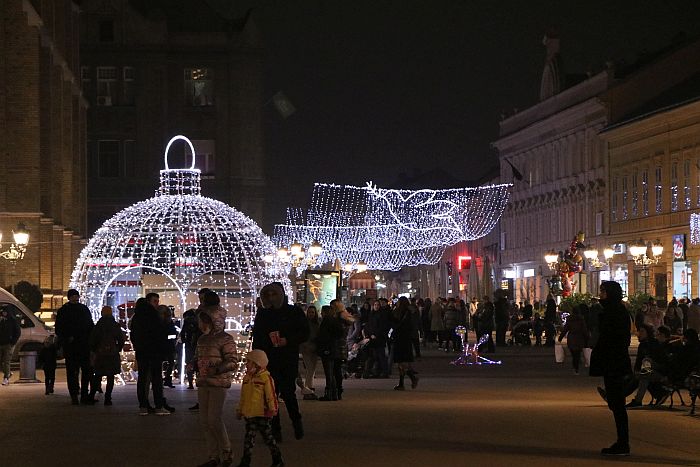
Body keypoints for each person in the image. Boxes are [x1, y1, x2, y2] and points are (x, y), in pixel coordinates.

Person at [252, 282, 309, 442]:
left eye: (274, 294)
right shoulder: (263, 314)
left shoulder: (294, 312)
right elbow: (258, 337)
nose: (271, 298)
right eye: (268, 295)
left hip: (287, 359)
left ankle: (296, 422)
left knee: (288, 393)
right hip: (268, 360)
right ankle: (275, 430)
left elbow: (304, 333)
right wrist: (257, 358)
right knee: (271, 396)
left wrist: (288, 340)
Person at [194, 292, 238, 467]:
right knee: (204, 420)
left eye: (204, 321)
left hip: (218, 382)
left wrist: (217, 368)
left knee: (214, 418)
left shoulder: (225, 339)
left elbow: (233, 361)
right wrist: (194, 365)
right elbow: (198, 356)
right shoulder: (202, 339)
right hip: (204, 381)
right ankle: (213, 455)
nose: (201, 324)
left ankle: (227, 451)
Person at [589, 281, 632, 457]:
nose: (601, 294)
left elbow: (616, 338)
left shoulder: (616, 312)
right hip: (612, 361)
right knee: (616, 404)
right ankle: (622, 442)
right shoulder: (610, 310)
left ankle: (623, 443)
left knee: (617, 404)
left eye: (603, 291)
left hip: (614, 361)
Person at [236, 349, 284, 467]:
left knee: (268, 437)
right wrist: (240, 410)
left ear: (257, 364)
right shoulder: (247, 378)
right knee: (249, 439)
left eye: (249, 362)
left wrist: (273, 408)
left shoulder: (265, 378)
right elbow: (244, 396)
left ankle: (277, 458)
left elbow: (271, 395)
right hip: (250, 414)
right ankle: (245, 461)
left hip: (263, 414)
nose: (246, 364)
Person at [130, 293, 169, 415]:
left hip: (142, 352)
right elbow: (160, 334)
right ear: (148, 302)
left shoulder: (136, 317)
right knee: (156, 379)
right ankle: (158, 406)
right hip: (154, 352)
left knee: (142, 379)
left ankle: (143, 406)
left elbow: (133, 335)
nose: (157, 304)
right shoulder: (153, 316)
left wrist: (138, 347)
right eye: (155, 301)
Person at [55, 289, 95, 404]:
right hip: (72, 346)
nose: (75, 298)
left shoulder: (83, 309)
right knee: (72, 372)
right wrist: (67, 338)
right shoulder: (64, 310)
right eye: (73, 296)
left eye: (76, 296)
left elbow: (90, 326)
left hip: (83, 346)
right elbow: (59, 329)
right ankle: (74, 395)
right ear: (69, 297)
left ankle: (83, 395)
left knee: (85, 371)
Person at [88, 306, 125, 406]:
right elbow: (121, 339)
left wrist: (94, 350)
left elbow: (92, 340)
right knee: (110, 376)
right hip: (112, 354)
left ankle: (91, 395)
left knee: (98, 375)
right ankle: (108, 398)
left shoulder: (98, 326)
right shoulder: (115, 325)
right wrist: (117, 348)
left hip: (100, 354)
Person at [391, 297, 419, 391]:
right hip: (405, 339)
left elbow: (397, 323)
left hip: (400, 338)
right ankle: (404, 382)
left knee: (401, 362)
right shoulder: (409, 312)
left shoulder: (401, 312)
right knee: (402, 362)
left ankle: (408, 380)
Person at [315, 304, 343, 401]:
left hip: (327, 349)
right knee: (332, 372)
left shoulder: (326, 321)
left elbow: (323, 336)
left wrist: (322, 346)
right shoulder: (334, 321)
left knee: (329, 373)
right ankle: (334, 394)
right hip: (333, 348)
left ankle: (329, 394)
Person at [558, 304, 589, 375]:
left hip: (571, 337)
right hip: (579, 337)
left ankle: (575, 366)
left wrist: (560, 337)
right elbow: (584, 330)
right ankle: (576, 367)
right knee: (577, 354)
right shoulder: (581, 319)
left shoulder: (570, 319)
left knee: (573, 352)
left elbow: (565, 329)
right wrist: (587, 337)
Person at [298, 305, 320, 400]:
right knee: (310, 369)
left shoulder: (317, 323)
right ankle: (308, 388)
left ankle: (309, 387)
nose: (311, 314)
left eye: (312, 312)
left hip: (314, 348)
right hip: (306, 348)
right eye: (309, 312)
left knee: (312, 369)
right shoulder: (304, 323)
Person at [364, 300, 390, 378]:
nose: (376, 306)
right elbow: (368, 325)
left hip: (379, 338)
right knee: (374, 356)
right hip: (372, 338)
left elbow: (382, 327)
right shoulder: (371, 314)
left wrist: (376, 334)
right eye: (375, 305)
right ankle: (375, 371)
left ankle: (384, 372)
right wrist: (369, 334)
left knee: (381, 356)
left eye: (378, 305)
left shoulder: (382, 315)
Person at [0, 305, 21, 386]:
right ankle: (8, 373)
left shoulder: (13, 321)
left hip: (8, 344)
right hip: (1, 343)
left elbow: (17, 332)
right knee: (2, 362)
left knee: (6, 361)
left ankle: (6, 378)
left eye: (5, 312)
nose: (4, 313)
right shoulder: (1, 320)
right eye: (3, 312)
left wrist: (13, 342)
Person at [158, 305, 178, 388]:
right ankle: (165, 380)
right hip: (165, 344)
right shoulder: (166, 323)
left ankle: (166, 380)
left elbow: (172, 333)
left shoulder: (167, 322)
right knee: (168, 363)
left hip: (165, 344)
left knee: (169, 362)